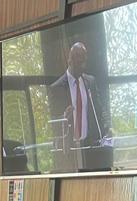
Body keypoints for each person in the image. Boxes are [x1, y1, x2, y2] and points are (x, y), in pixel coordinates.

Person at [47, 42, 113, 170]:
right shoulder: (57, 87)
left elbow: (99, 109)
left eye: (83, 61)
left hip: (91, 145)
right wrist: (63, 117)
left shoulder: (90, 82)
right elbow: (52, 122)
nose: (82, 66)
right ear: (69, 60)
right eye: (78, 62)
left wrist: (108, 127)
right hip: (69, 149)